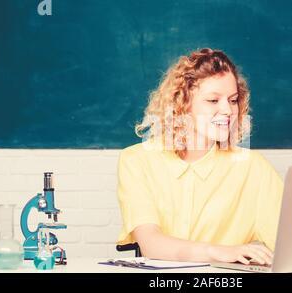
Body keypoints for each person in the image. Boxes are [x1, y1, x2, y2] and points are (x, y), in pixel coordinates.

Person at [116, 48, 283, 265]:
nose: (228, 111)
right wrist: (221, 252)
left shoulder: (254, 167)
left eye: (233, 100)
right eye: (213, 101)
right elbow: (151, 243)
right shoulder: (137, 160)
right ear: (181, 105)